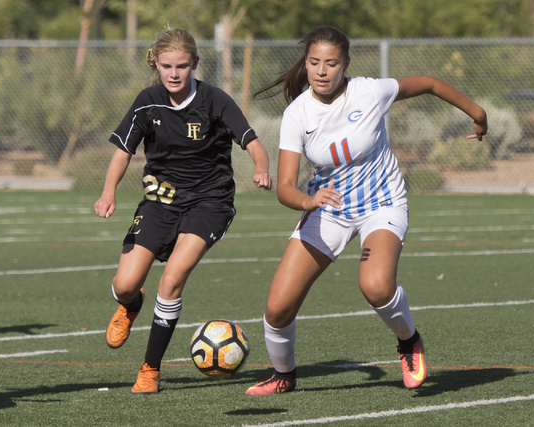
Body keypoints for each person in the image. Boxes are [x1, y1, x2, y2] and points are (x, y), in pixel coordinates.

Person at [245, 25, 488, 395]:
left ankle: (409, 342)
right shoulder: (297, 114)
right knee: (277, 309)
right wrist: (308, 201)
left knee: (375, 286)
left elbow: (429, 83)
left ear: (346, 64)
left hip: (382, 204)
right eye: (314, 63)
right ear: (306, 64)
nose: (321, 71)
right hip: (329, 209)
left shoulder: (369, 91)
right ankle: (283, 375)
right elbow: (285, 188)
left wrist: (478, 112)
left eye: (331, 63)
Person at [94, 28, 272, 395]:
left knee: (172, 279)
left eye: (181, 66)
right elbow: (123, 151)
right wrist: (108, 191)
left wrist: (261, 167)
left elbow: (252, 139)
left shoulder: (214, 100)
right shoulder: (147, 101)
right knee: (125, 284)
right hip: (159, 201)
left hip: (210, 202)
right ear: (155, 64)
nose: (174, 73)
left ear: (194, 64)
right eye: (166, 66)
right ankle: (131, 304)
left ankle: (150, 369)